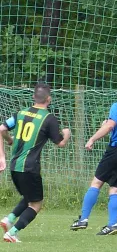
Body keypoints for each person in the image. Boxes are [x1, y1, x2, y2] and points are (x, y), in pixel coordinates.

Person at [70, 78, 117, 235]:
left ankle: (83, 219)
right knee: (116, 190)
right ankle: (112, 224)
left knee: (97, 182)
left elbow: (111, 125)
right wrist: (109, 124)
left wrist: (93, 138)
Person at [0, 83, 71, 242]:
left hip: (14, 166)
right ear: (49, 99)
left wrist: (8, 145)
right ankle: (12, 232)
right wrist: (66, 134)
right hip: (30, 167)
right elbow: (60, 143)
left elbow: (2, 129)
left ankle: (9, 219)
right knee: (36, 204)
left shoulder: (20, 113)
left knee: (29, 196)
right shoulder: (49, 118)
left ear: (33, 97)